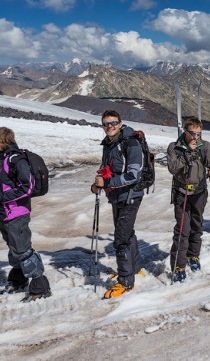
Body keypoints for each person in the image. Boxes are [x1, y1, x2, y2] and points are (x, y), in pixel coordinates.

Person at [0, 127, 51, 301]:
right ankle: (19, 280)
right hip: (2, 211)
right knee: (14, 248)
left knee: (22, 250)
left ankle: (40, 286)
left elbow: (27, 188)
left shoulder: (15, 160)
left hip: (16, 212)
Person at [92, 110, 146, 299]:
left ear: (120, 123)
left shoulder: (130, 143)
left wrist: (106, 183)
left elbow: (133, 174)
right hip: (118, 195)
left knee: (121, 237)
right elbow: (109, 169)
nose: (110, 126)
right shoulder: (109, 144)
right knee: (127, 232)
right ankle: (134, 267)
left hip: (131, 195)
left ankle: (125, 281)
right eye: (106, 123)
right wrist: (100, 182)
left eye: (113, 123)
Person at [166, 117, 210, 282]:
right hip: (182, 192)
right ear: (185, 131)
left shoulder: (205, 146)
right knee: (183, 229)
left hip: (199, 191)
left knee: (197, 225)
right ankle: (178, 265)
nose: (196, 137)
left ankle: (193, 256)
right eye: (192, 133)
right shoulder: (174, 147)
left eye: (198, 133)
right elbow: (173, 168)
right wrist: (187, 152)